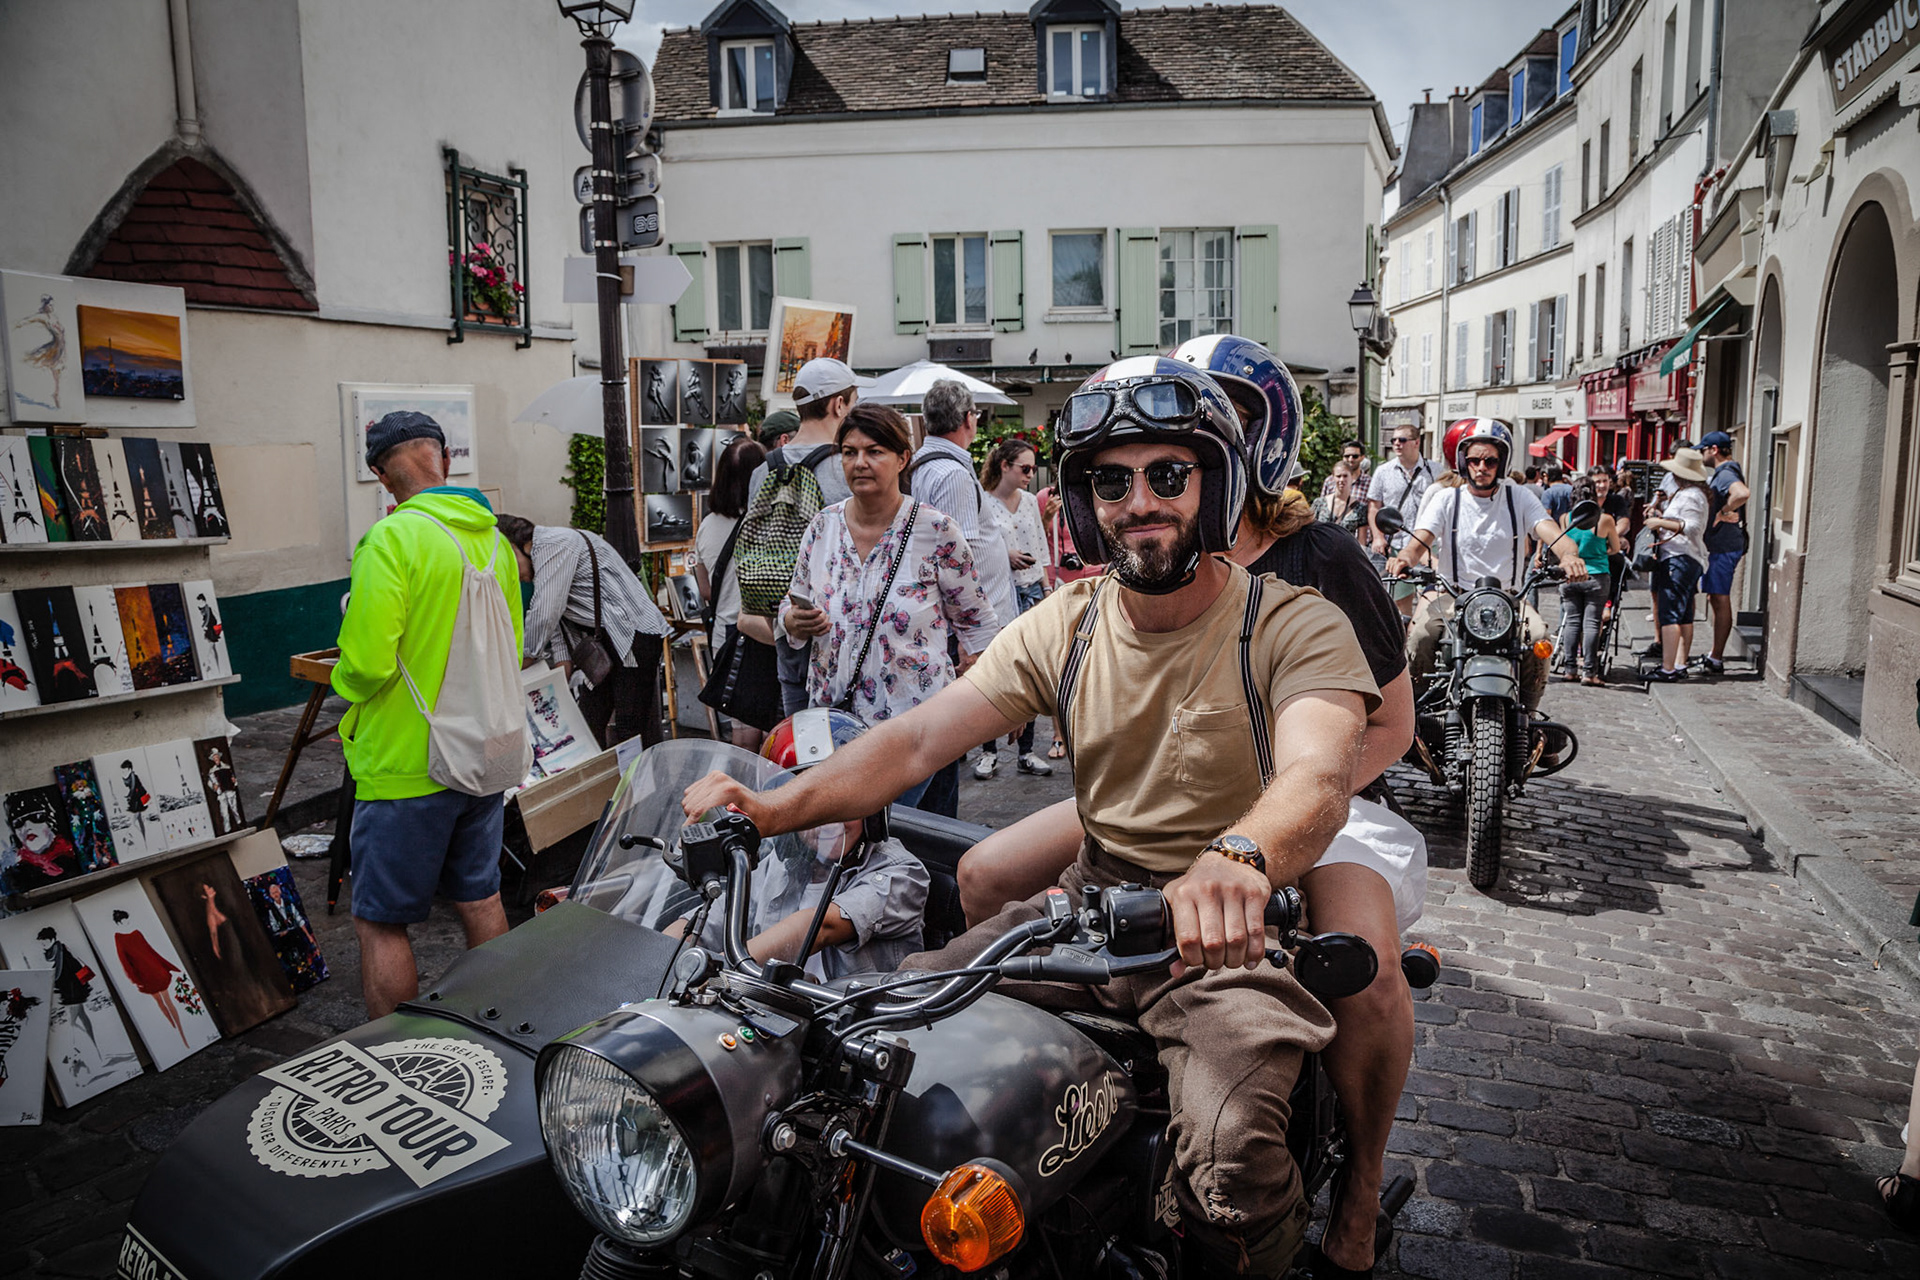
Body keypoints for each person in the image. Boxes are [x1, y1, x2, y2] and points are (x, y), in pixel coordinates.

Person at [686, 356, 1382, 1280]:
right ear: (1083, 498)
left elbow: (1319, 773)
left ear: (1214, 484)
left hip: (1226, 939)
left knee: (1229, 1164)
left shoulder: (1293, 623)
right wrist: (767, 808)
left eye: (1168, 475)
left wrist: (1241, 859)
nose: (1141, 501)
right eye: (1112, 480)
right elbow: (915, 740)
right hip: (1085, 916)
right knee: (874, 1046)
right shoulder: (1071, 619)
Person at [966, 333, 1425, 1276]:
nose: (1148, 486)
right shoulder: (1123, 563)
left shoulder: (1320, 555)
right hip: (1162, 795)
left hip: (1304, 801)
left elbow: (1392, 728)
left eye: (1183, 452)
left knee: (1372, 971)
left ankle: (1361, 1189)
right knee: (982, 870)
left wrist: (1266, 823)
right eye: (1125, 466)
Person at [333, 410, 523, 1019]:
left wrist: (340, 675)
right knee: (480, 895)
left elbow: (364, 666)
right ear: (443, 456)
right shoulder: (493, 538)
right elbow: (511, 647)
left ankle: (393, 1057)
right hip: (487, 750)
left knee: (381, 922)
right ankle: (500, 1028)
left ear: (382, 476)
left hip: (406, 762)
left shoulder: (390, 540)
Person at [781, 403, 999, 807]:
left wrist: (999, 704)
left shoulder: (936, 530)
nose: (860, 462)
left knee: (919, 853)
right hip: (836, 730)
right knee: (844, 853)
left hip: (918, 733)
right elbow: (789, 608)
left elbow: (977, 622)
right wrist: (796, 620)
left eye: (874, 451)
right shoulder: (822, 527)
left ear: (902, 458)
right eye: (849, 452)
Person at [675, 710, 928, 979]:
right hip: (769, 1009)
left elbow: (818, 926)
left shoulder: (903, 874)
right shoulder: (777, 863)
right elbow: (712, 921)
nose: (831, 822)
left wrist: (714, 973)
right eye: (815, 810)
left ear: (873, 805)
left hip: (848, 1016)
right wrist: (663, 956)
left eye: (844, 803)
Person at [1387, 418, 1588, 715]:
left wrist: (1569, 555)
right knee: (1421, 636)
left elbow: (1549, 530)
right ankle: (1414, 716)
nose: (1482, 467)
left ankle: (1528, 715)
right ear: (1463, 462)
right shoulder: (1447, 499)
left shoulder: (1518, 496)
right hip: (1453, 595)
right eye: (1475, 460)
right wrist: (1404, 558)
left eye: (1490, 461)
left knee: (1538, 638)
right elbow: (1420, 541)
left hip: (1509, 597)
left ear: (1502, 463)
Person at [907, 379, 1014, 804]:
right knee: (946, 744)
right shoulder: (950, 472)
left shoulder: (932, 466)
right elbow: (957, 558)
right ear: (969, 420)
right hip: (960, 631)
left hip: (953, 628)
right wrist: (973, 641)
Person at [747, 358, 870, 717]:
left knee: (803, 741)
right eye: (855, 401)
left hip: (786, 628)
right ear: (839, 405)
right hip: (841, 635)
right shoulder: (846, 469)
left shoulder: (763, 470)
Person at [496, 514, 669, 750]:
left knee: (629, 726)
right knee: (587, 723)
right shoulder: (543, 561)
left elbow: (545, 614)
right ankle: (598, 784)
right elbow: (555, 622)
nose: (510, 573)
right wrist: (559, 674)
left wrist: (517, 665)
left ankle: (635, 785)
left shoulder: (554, 544)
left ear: (517, 546)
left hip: (632, 635)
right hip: (607, 641)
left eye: (505, 560)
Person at [980, 437, 1054, 777]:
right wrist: (1004, 555)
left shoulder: (1027, 501)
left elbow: (1038, 544)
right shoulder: (982, 503)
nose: (1030, 474)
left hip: (1031, 594)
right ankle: (989, 749)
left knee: (1032, 671)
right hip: (998, 597)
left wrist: (1047, 588)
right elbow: (974, 553)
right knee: (994, 672)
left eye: (1033, 468)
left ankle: (1026, 751)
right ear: (1004, 466)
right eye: (1025, 468)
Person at [696, 434, 774, 749]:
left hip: (724, 638)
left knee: (741, 729)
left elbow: (705, 590)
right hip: (761, 632)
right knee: (771, 726)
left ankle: (736, 792)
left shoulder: (707, 525)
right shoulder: (768, 523)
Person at [1642, 447, 1711, 681]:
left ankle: (1668, 667)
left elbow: (1692, 527)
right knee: (1684, 615)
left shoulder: (1691, 495)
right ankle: (1679, 663)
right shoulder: (1690, 493)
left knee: (1670, 612)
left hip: (1680, 558)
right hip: (1684, 558)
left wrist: (1660, 522)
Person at [1554, 475, 1618, 685]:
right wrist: (1601, 552)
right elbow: (1615, 548)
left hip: (1570, 575)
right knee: (1592, 624)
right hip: (1596, 575)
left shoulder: (1565, 519)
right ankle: (1590, 673)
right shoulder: (1604, 520)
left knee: (1572, 622)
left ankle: (1570, 669)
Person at [1697, 430, 1750, 674]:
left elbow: (1742, 493)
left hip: (1723, 546)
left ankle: (1717, 658)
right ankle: (1714, 654)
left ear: (1714, 450)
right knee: (1714, 597)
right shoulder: (1724, 472)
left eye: (1703, 449)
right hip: (1719, 545)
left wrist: (1724, 511)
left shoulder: (1727, 472)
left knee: (1720, 598)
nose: (1701, 454)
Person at [1368, 425, 1436, 561]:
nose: (1397, 444)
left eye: (1402, 440)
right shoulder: (1383, 472)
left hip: (1427, 546)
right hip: (1395, 545)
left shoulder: (1435, 470)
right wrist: (1378, 537)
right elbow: (1374, 507)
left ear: (1417, 442)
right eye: (1393, 440)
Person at [1312, 460, 1368, 538]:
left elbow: (1362, 542)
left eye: (1345, 476)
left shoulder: (1360, 508)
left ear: (1352, 477)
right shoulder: (1319, 503)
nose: (1341, 480)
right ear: (1333, 478)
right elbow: (1310, 531)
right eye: (1338, 476)